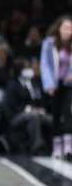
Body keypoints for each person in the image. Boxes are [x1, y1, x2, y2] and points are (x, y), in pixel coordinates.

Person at [40, 15, 72, 159]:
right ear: (59, 28)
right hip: (54, 84)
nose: (68, 31)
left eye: (71, 28)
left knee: (68, 113)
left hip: (69, 84)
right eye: (66, 27)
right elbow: (45, 65)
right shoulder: (49, 43)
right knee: (56, 115)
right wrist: (49, 84)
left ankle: (68, 147)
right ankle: (57, 147)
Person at [4, 59, 50, 154]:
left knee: (50, 119)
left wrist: (40, 109)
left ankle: (55, 146)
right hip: (16, 115)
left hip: (34, 113)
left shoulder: (34, 83)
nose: (30, 70)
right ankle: (38, 146)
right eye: (27, 68)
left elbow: (39, 99)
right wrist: (28, 109)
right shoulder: (13, 85)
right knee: (33, 117)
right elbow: (10, 105)